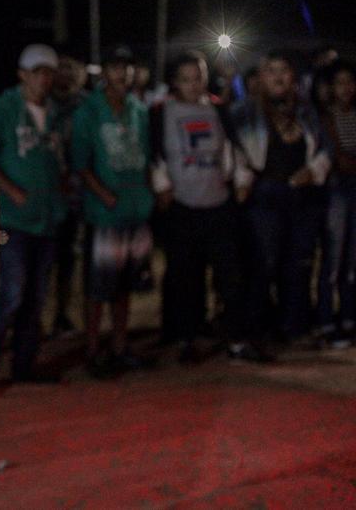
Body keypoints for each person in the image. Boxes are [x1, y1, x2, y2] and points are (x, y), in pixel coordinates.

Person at [150, 53, 268, 363]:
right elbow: (154, 154)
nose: (193, 84)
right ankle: (187, 339)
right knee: (185, 277)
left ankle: (236, 340)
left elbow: (234, 147)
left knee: (230, 276)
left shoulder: (217, 108)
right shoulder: (162, 112)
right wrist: (162, 187)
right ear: (174, 82)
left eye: (198, 77)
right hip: (182, 207)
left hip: (219, 205)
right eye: (186, 79)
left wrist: (241, 179)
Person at [0, 44, 66, 382]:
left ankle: (24, 366)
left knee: (36, 296)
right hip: (13, 220)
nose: (44, 79)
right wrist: (11, 189)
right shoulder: (3, 107)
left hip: (46, 218)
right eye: (37, 72)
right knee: (11, 292)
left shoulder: (55, 112)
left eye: (48, 72)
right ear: (23, 75)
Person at [233, 51, 330, 341]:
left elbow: (325, 148)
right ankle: (257, 329)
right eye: (271, 70)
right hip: (263, 196)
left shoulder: (307, 111)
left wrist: (313, 170)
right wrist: (243, 181)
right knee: (264, 264)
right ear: (261, 78)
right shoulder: (244, 111)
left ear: (293, 78)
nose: (278, 77)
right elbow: (234, 150)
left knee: (298, 264)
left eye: (284, 70)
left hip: (302, 197)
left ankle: (294, 325)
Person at [72, 48, 154, 377]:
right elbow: (81, 163)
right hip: (104, 214)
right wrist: (104, 195)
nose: (123, 75)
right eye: (117, 67)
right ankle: (93, 349)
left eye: (129, 68)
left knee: (125, 284)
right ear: (105, 72)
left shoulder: (139, 109)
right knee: (98, 286)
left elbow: (147, 157)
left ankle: (119, 345)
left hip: (135, 211)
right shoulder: (88, 110)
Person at [315, 60, 356, 347]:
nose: (346, 88)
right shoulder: (324, 117)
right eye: (340, 83)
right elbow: (335, 157)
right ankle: (327, 321)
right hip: (336, 190)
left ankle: (349, 318)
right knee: (333, 258)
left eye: (350, 82)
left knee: (353, 261)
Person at [50, 51, 88, 336]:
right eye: (63, 66)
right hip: (45, 198)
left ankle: (64, 315)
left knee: (70, 260)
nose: (69, 73)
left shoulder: (89, 106)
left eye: (74, 67)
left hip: (81, 196)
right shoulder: (41, 102)